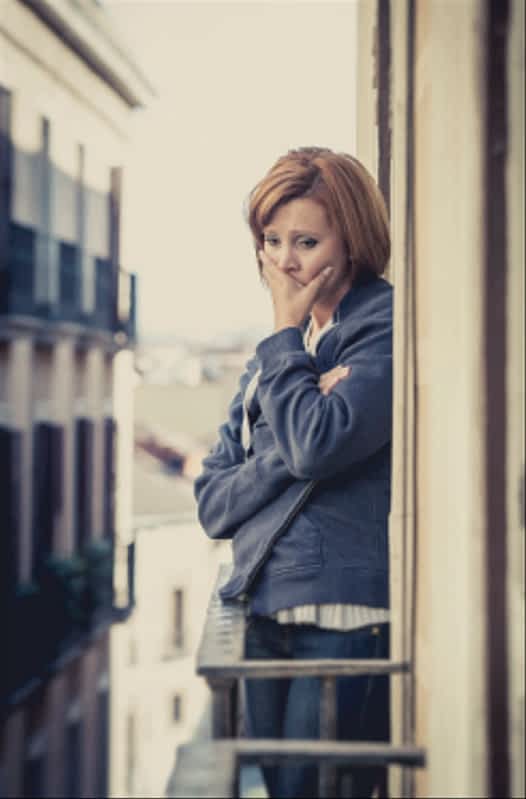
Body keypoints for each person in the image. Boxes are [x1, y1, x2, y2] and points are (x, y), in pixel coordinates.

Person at [194, 146, 392, 799]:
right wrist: (288, 432)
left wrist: (284, 336)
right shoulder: (278, 358)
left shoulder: (381, 328)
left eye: (306, 241)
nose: (284, 261)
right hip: (263, 610)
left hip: (343, 617)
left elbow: (318, 446)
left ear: (352, 242)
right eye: (272, 240)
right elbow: (213, 504)